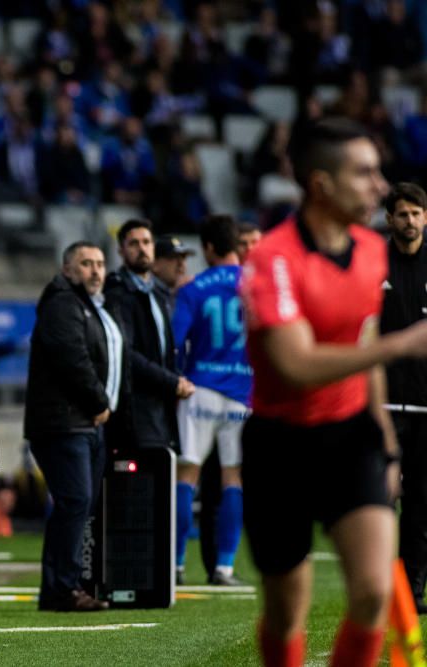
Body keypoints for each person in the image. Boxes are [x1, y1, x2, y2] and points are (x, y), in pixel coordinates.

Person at [239, 118, 427, 667]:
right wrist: (402, 346)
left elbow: (361, 343)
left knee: (372, 592)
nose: (380, 185)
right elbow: (296, 364)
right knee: (285, 614)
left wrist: (386, 441)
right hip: (280, 445)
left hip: (352, 437)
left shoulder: (372, 249)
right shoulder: (272, 258)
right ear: (322, 184)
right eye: (365, 172)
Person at [25, 242, 123, 612]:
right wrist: (100, 402)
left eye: (99, 263)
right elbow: (73, 360)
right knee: (75, 502)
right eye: (86, 263)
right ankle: (62, 589)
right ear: (67, 269)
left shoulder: (85, 305)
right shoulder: (63, 304)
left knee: (77, 504)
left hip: (80, 423)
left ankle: (62, 587)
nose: (96, 270)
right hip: (63, 423)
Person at [171, 215, 252, 586]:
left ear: (207, 248)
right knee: (233, 477)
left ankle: (175, 565)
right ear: (236, 245)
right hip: (243, 391)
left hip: (199, 387)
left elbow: (174, 340)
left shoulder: (193, 288)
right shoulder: (259, 285)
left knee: (188, 474)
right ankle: (223, 566)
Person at [104, 219, 194, 450]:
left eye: (146, 242)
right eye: (134, 243)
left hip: (160, 410)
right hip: (134, 413)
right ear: (121, 251)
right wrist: (171, 382)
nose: (142, 248)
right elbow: (126, 354)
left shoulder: (158, 294)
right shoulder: (117, 293)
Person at [379, 183, 427, 614]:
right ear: (389, 219)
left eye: (416, 213)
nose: (409, 221)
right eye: (402, 214)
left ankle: (412, 594)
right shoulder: (374, 264)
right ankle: (377, 591)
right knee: (379, 503)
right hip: (383, 407)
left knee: (421, 505)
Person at [152, 235, 196, 313]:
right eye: (173, 257)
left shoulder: (185, 293)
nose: (181, 264)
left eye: (183, 257)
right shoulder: (145, 296)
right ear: (155, 264)